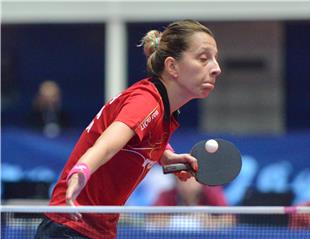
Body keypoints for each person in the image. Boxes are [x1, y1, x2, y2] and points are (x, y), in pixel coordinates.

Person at [34, 19, 222, 239]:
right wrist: (81, 170)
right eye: (203, 58)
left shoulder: (164, 110)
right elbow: (107, 144)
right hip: (69, 228)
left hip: (97, 230)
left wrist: (166, 156)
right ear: (172, 67)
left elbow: (140, 137)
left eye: (215, 58)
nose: (216, 68)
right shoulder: (147, 101)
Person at [150, 176, 235, 228]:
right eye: (182, 179)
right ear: (176, 181)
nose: (187, 183)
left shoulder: (212, 192)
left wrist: (212, 222)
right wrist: (181, 220)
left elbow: (229, 219)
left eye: (191, 179)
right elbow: (153, 219)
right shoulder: (166, 195)